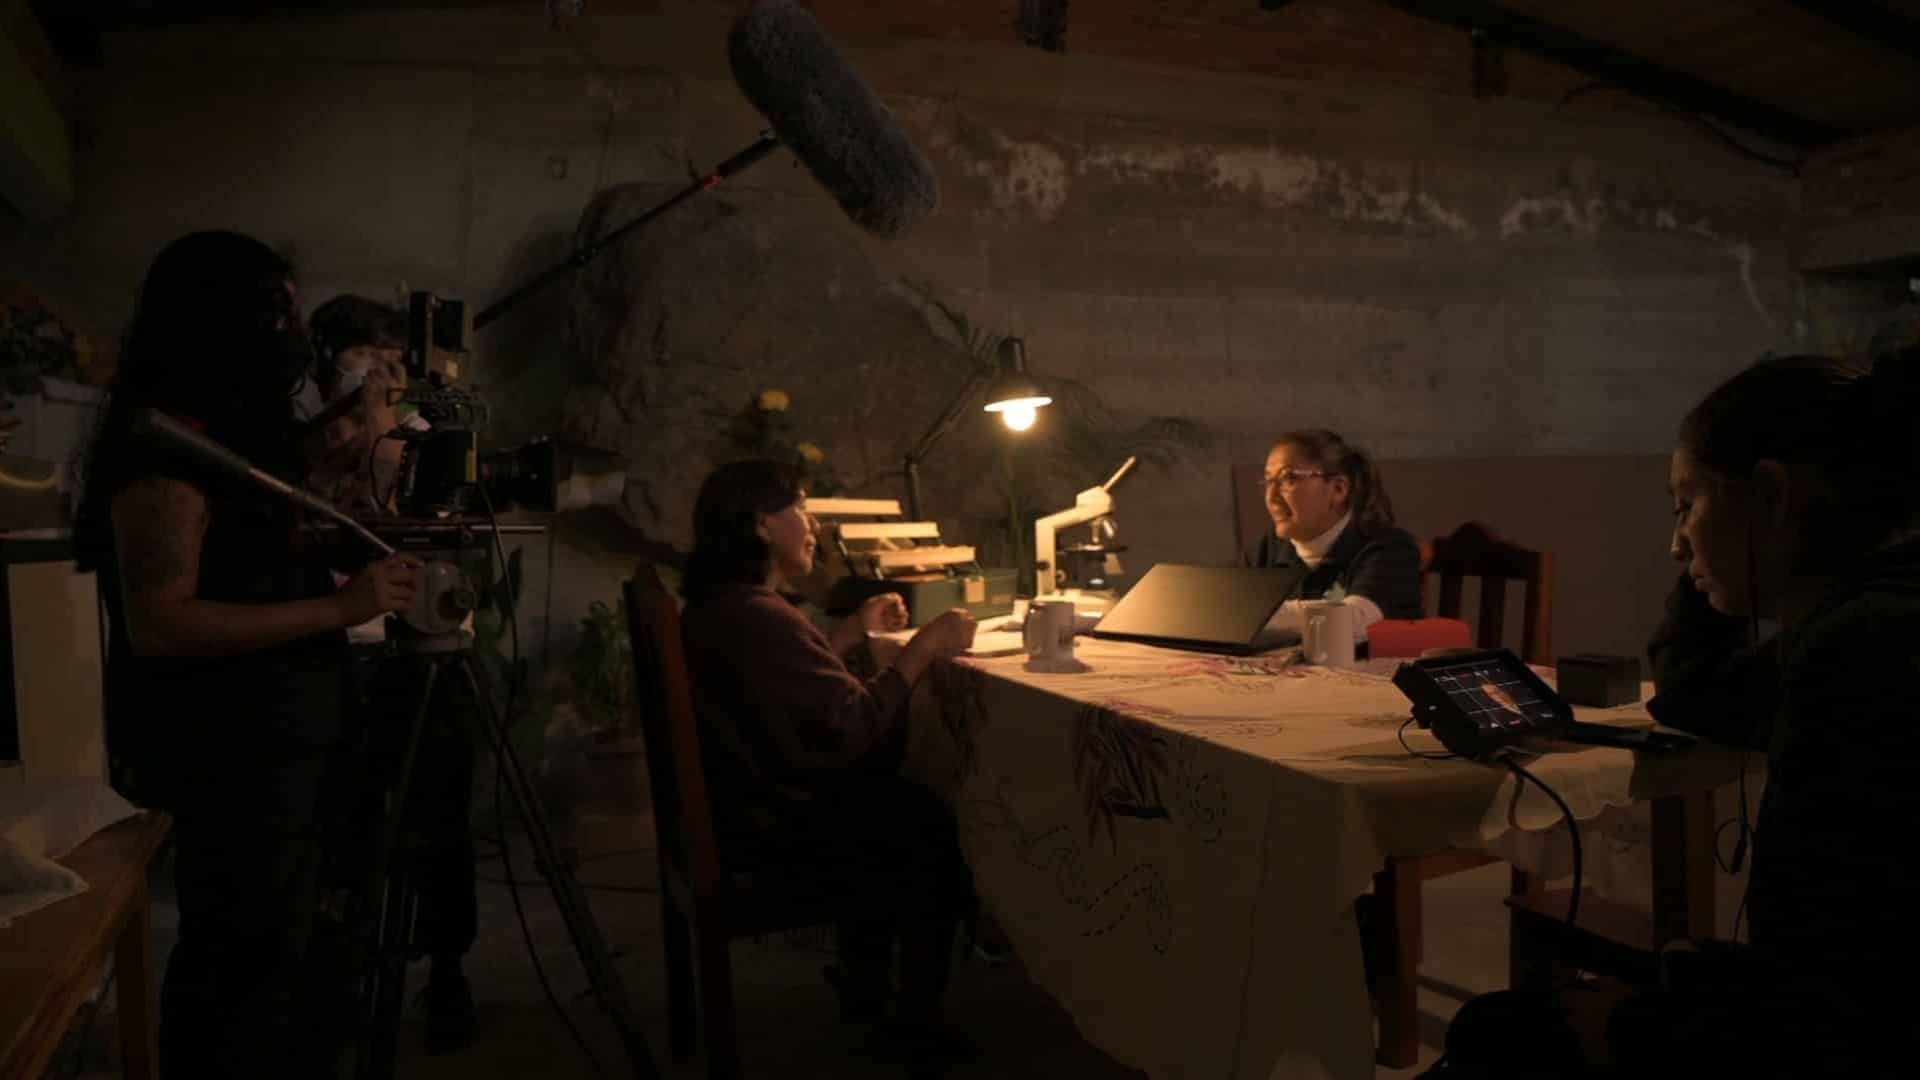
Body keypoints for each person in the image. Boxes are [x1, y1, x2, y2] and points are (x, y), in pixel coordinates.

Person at [1427, 350, 1920, 1078]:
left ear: (1772, 495)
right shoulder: (1867, 617)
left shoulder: (1865, 647)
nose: (1673, 542)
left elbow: (1832, 1008)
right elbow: (1700, 694)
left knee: (1496, 1032)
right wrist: (1722, 554)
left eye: (1686, 505)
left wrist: (1633, 1023)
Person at [73, 231, 423, 1078]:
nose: (291, 335)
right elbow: (162, 621)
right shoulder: (161, 452)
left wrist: (332, 464)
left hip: (283, 734)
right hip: (231, 745)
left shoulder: (223, 437)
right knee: (239, 962)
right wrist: (341, 608)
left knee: (291, 950)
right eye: (276, 314)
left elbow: (248, 542)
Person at [677, 459, 980, 1063]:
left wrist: (845, 636)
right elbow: (852, 727)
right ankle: (914, 1024)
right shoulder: (759, 615)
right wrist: (924, 648)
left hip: (742, 805)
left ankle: (864, 985)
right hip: (774, 830)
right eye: (799, 508)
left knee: (893, 798)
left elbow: (786, 693)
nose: (813, 524)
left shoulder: (726, 606)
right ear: (762, 525)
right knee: (928, 819)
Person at [307, 293, 479, 1053]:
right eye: (362, 353)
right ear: (326, 361)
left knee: (441, 818)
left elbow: (423, 510)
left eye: (391, 356)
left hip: (429, 651)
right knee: (342, 823)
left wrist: (384, 428)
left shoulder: (425, 437)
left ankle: (447, 970)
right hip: (341, 649)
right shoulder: (306, 437)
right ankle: (338, 971)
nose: (380, 369)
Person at [1243, 429, 1423, 647]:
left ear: (1338, 489)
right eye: (1268, 481)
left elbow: (1351, 620)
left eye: (1288, 478)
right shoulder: (1271, 546)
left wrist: (1252, 614)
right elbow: (1226, 607)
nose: (1271, 497)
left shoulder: (1390, 548)